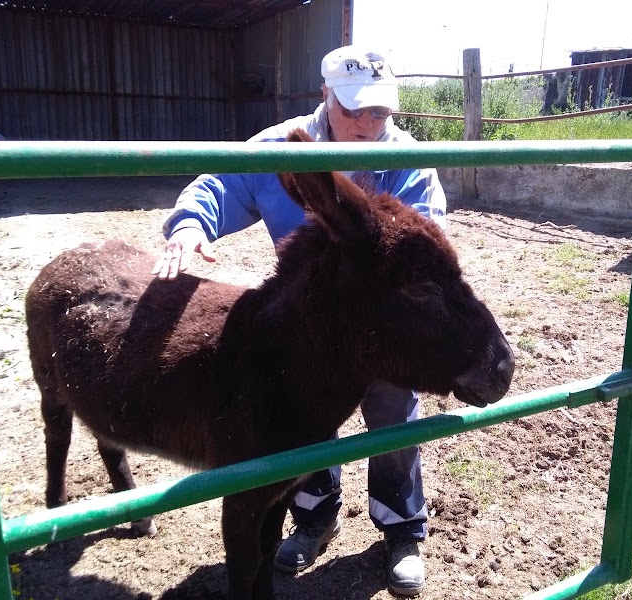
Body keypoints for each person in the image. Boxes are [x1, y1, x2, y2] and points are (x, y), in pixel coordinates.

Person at [152, 45, 447, 598]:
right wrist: (191, 225)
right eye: (355, 108)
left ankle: (401, 526)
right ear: (325, 96)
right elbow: (220, 184)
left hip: (381, 322)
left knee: (392, 407)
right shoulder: (280, 148)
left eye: (380, 112)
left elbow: (422, 240)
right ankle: (314, 516)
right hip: (313, 319)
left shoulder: (408, 159)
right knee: (298, 407)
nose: (367, 124)